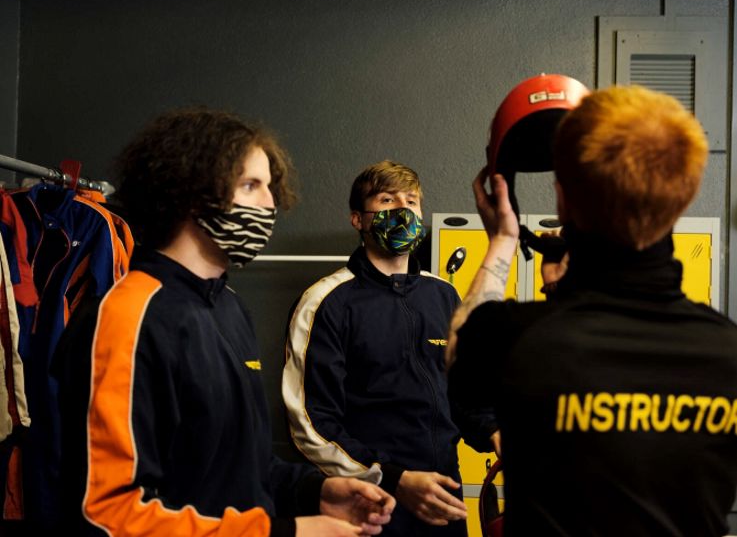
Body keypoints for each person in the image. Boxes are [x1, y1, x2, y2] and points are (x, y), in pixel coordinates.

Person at [54, 108, 395, 536]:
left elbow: (234, 463)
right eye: (252, 185)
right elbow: (105, 515)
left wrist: (312, 492)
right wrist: (286, 532)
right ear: (190, 191)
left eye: (270, 187)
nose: (271, 204)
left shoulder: (229, 309)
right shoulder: (128, 316)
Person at [446, 85, 737, 536]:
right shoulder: (729, 352)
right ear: (682, 199)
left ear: (564, 200)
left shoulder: (518, 338)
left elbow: (459, 349)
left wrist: (503, 239)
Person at [282, 160, 497, 536]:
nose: (402, 210)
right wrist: (392, 478)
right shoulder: (325, 302)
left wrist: (494, 431)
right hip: (369, 503)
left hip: (444, 497)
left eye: (411, 201)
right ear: (358, 219)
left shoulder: (442, 294)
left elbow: (463, 394)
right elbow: (312, 424)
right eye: (386, 200)